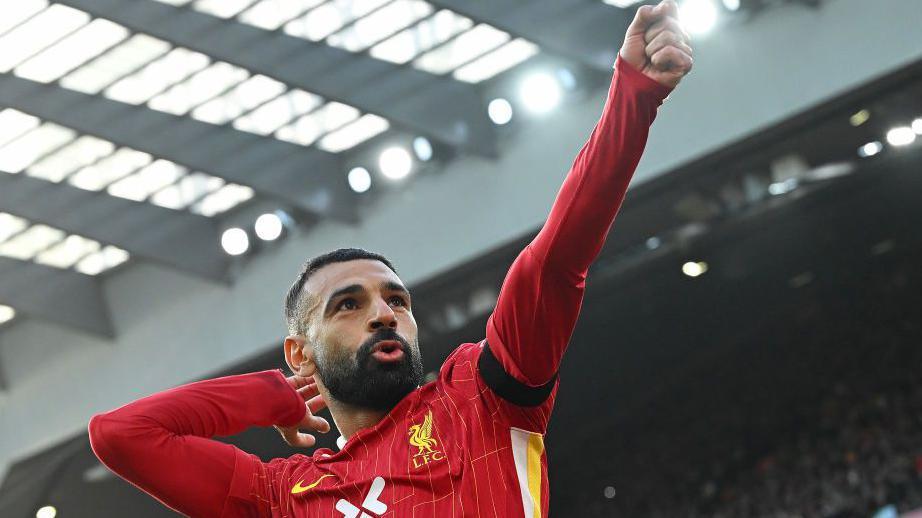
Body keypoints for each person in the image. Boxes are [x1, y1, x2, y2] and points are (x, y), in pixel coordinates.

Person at [88, 2, 692, 515]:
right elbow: (120, 435)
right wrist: (274, 395)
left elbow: (554, 263)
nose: (384, 314)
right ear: (301, 352)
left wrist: (632, 100)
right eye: (349, 304)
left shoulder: (481, 398)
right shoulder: (282, 497)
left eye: (396, 300)